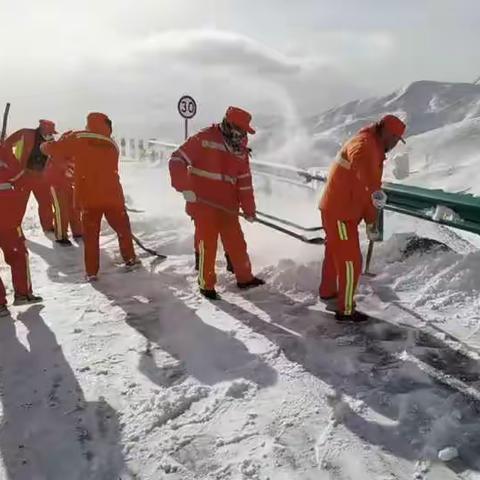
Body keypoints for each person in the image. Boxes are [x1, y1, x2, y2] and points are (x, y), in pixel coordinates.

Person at [169, 106, 264, 300]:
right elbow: (176, 160)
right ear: (229, 125)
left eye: (245, 131)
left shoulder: (240, 149)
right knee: (208, 243)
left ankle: (245, 278)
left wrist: (249, 209)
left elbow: (244, 183)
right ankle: (207, 284)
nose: (242, 134)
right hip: (203, 203)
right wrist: (185, 188)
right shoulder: (204, 138)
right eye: (240, 130)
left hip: (228, 205)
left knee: (236, 241)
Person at [319, 114, 406, 322]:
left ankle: (328, 292)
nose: (394, 144)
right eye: (394, 139)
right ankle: (346, 310)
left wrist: (370, 220)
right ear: (385, 132)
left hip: (341, 209)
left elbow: (367, 192)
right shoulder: (365, 145)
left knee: (334, 253)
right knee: (351, 261)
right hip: (340, 213)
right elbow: (366, 177)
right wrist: (374, 192)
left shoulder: (374, 145)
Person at [41, 112, 138, 281]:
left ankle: (92, 272)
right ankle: (130, 259)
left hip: (89, 197)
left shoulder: (79, 137)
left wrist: (45, 146)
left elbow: (56, 150)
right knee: (123, 229)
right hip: (112, 195)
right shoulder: (112, 144)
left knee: (91, 236)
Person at [0, 143, 43, 316]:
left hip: (7, 215)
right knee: (18, 254)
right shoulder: (4, 157)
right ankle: (22, 293)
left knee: (18, 254)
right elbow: (19, 174)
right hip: (7, 217)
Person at [3, 119, 57, 232]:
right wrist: (14, 164)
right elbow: (6, 144)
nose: (51, 135)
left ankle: (48, 227)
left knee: (46, 203)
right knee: (19, 205)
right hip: (24, 175)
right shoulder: (25, 133)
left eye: (52, 133)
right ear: (42, 129)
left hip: (41, 177)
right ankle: (15, 231)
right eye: (49, 132)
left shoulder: (50, 141)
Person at [44, 130, 82, 245]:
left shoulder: (76, 153)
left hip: (69, 185)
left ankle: (78, 232)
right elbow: (63, 168)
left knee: (74, 208)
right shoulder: (58, 150)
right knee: (61, 210)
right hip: (56, 185)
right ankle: (61, 236)